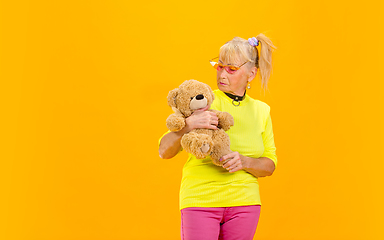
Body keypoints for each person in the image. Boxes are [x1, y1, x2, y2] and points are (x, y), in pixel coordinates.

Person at [158, 34, 277, 240]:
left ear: (251, 74)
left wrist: (244, 161)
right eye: (219, 66)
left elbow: (270, 164)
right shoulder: (202, 101)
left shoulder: (262, 111)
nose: (222, 74)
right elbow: (164, 151)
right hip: (200, 201)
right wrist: (188, 125)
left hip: (245, 203)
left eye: (231, 69)